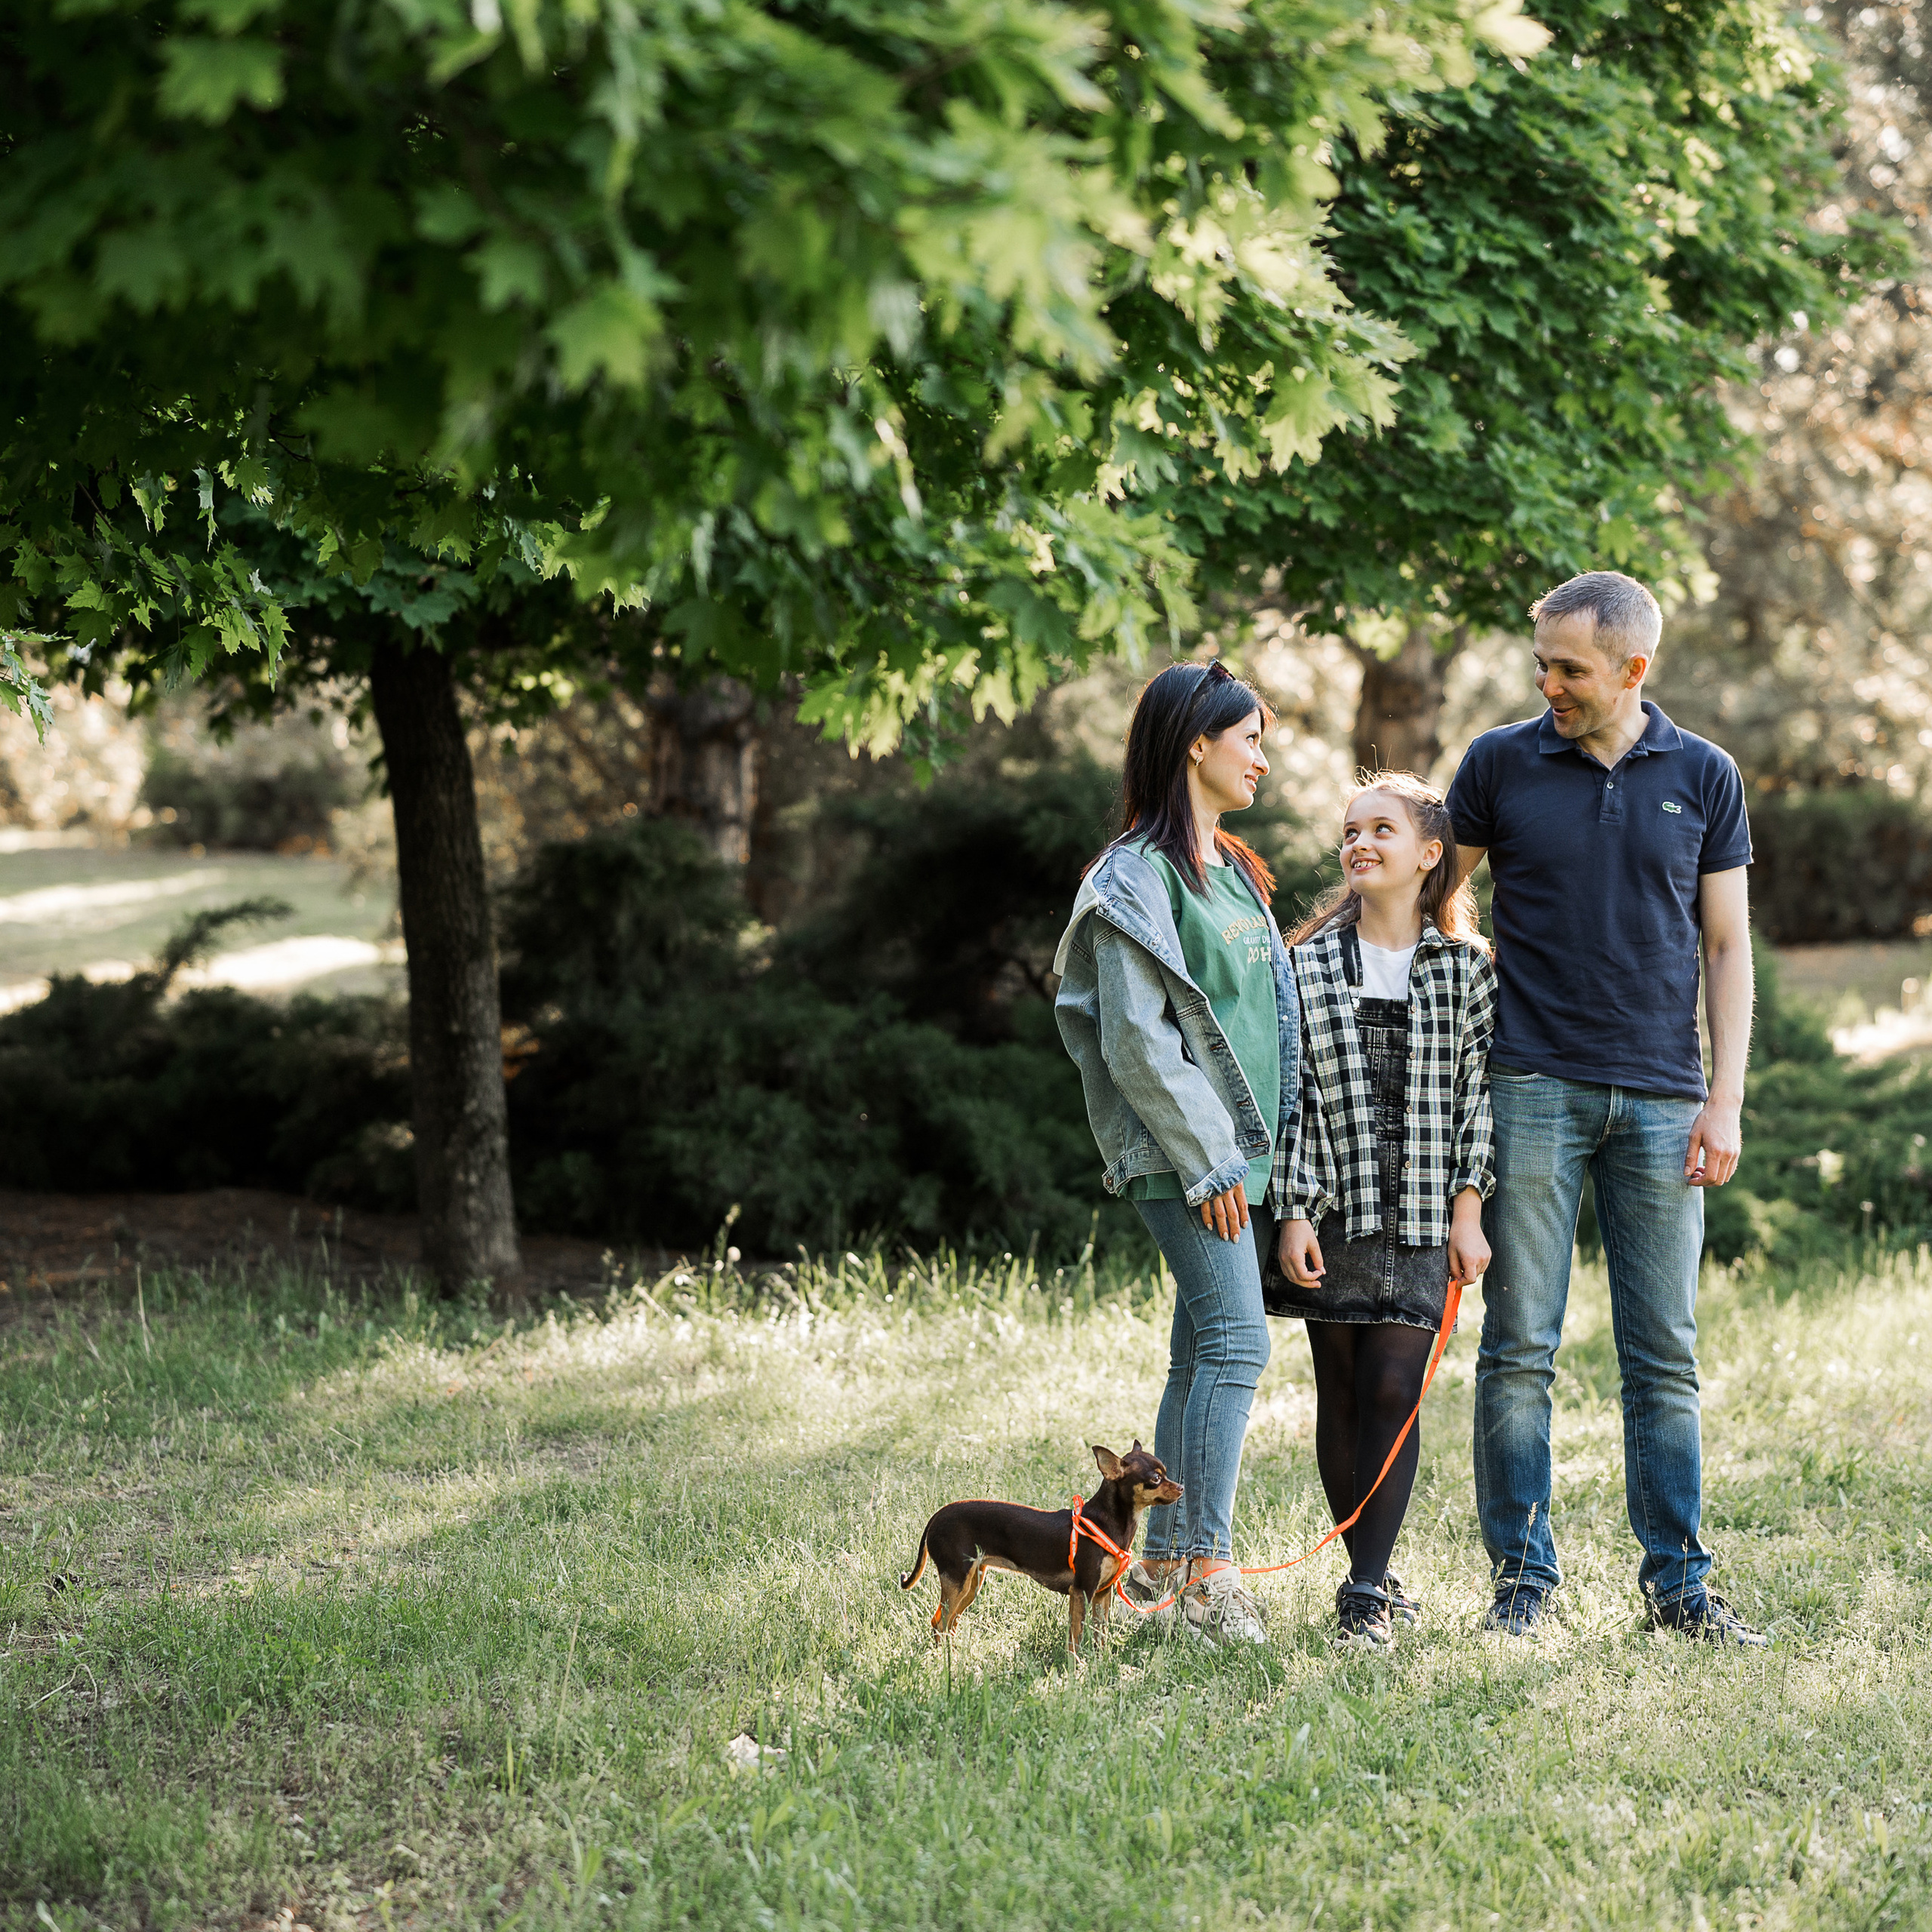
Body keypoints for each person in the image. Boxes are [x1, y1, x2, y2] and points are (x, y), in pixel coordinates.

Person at [1445, 570, 1767, 1644]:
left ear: (1635, 669)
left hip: (1665, 1098)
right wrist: (1463, 974)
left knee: (1662, 1354)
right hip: (1532, 1083)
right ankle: (1522, 1585)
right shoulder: (1498, 762)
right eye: (1540, 664)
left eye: (1569, 668)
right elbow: (1437, 889)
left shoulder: (1705, 775)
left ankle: (1678, 1586)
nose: (1549, 684)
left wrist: (1723, 1100)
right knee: (1519, 1347)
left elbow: (1727, 946)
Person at [1053, 660, 1297, 1647]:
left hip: (1239, 1160)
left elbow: (1265, 1021)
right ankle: (1205, 1573)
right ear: (1198, 743)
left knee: (1202, 1348)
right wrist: (1208, 1162)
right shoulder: (1132, 877)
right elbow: (1136, 1041)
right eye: (1253, 738)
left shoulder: (1232, 870)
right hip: (1183, 1156)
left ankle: (1156, 1569)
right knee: (1239, 1345)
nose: (1265, 760)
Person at [1271, 774, 1497, 1646]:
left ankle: (1365, 1589)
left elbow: (1481, 1099)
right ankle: (1366, 1578)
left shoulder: (1468, 971)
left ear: (1429, 854)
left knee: (1394, 1389)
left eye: (1381, 830)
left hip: (1423, 1215)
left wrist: (1468, 1209)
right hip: (1332, 1206)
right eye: (1350, 831)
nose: (1359, 843)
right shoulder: (1307, 964)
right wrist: (1292, 1212)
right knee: (1341, 1389)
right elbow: (1285, 1098)